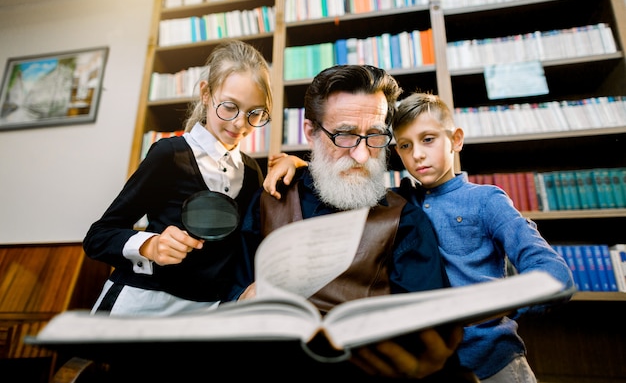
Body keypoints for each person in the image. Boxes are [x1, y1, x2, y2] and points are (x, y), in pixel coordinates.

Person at [264, 92, 575, 382]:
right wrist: (300, 163)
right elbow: (344, 176)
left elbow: (556, 277)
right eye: (405, 146)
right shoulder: (400, 201)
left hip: (496, 361)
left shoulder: (487, 201)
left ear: (456, 140)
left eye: (428, 140)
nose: (418, 156)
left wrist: (498, 306)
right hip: (430, 367)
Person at [229, 65, 478, 382]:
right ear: (311, 132)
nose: (362, 155)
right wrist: (240, 298)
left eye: (375, 135)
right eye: (345, 135)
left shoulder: (407, 220)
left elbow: (427, 333)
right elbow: (230, 285)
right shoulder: (269, 198)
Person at [83, 39, 273, 316]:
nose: (240, 124)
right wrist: (151, 245)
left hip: (206, 312)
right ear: (206, 94)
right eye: (229, 107)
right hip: (142, 304)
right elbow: (98, 237)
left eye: (255, 113)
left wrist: (294, 164)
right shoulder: (169, 155)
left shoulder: (252, 172)